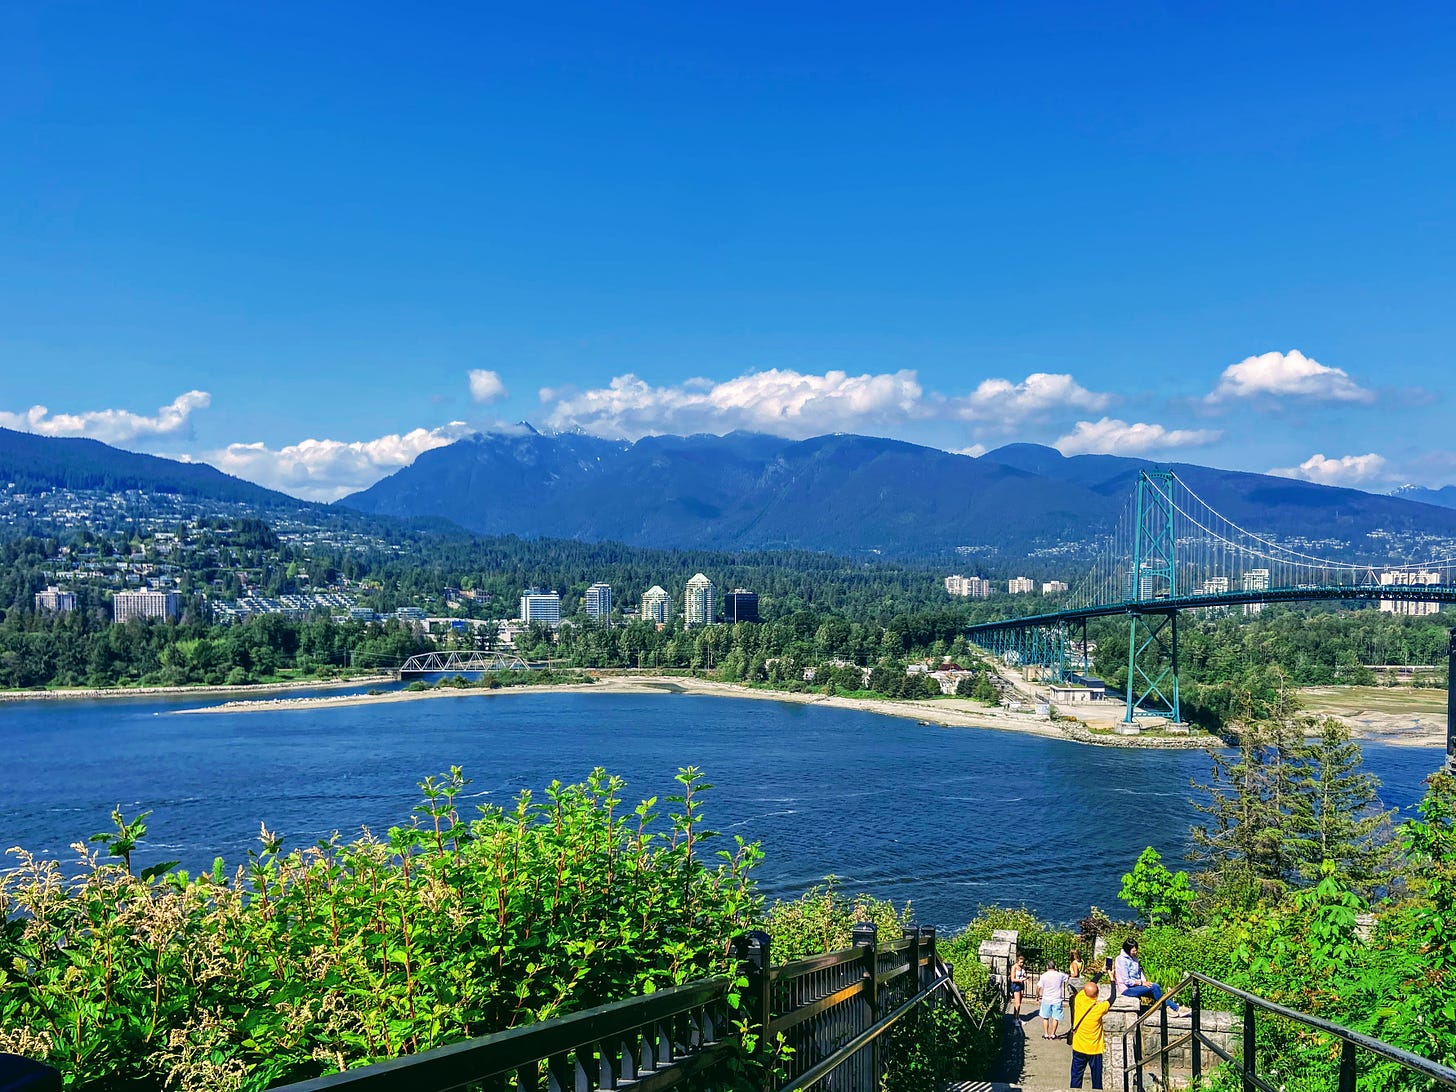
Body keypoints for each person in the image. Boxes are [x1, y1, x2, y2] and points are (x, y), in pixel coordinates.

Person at [1113, 939, 1180, 1013]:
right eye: (1133, 951)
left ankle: (1174, 1008)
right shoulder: (1121, 960)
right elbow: (1126, 981)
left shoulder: (1134, 958)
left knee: (1157, 993)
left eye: (1136, 950)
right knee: (1155, 987)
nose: (1136, 952)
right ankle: (1174, 1008)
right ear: (1127, 950)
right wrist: (1142, 983)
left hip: (1136, 986)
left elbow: (1139, 972)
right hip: (1127, 989)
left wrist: (1145, 983)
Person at [1069, 980, 1111, 1089]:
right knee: (1096, 1078)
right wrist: (1112, 980)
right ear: (1097, 995)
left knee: (1076, 1076)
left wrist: (1101, 971)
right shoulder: (1099, 1009)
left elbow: (1091, 983)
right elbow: (1113, 998)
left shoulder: (1079, 999)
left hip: (1079, 1047)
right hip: (1094, 1049)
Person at [1037, 958, 1069, 1039]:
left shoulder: (1044, 975)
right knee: (1056, 1017)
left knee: (1045, 1017)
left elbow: (1038, 987)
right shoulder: (1060, 975)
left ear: (1047, 966)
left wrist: (1037, 996)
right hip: (1057, 998)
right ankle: (1053, 1034)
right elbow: (1068, 978)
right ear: (1055, 966)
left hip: (1047, 998)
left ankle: (1046, 1034)